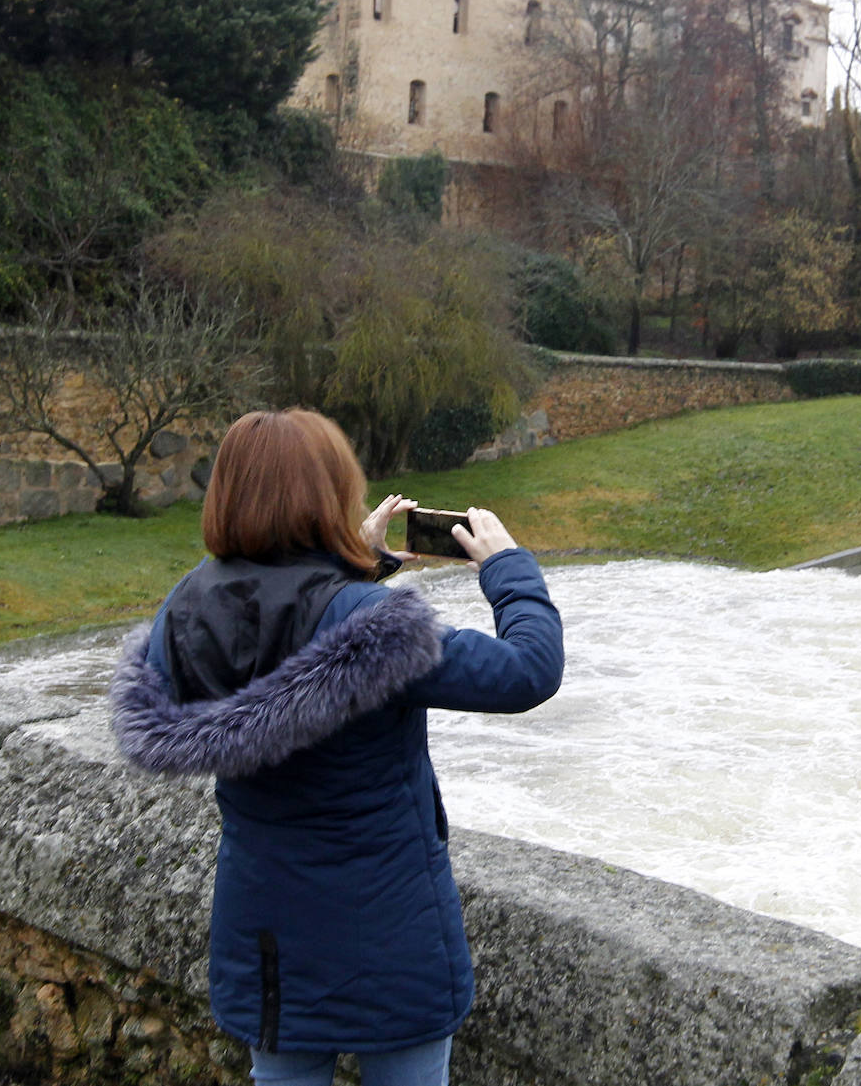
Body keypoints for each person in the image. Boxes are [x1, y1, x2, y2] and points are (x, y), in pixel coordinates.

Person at [109, 409, 564, 1086]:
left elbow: (280, 624)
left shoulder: (186, 606)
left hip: (268, 945)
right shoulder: (374, 626)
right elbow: (529, 668)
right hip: (391, 935)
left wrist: (353, 567)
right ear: (327, 498)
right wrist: (507, 567)